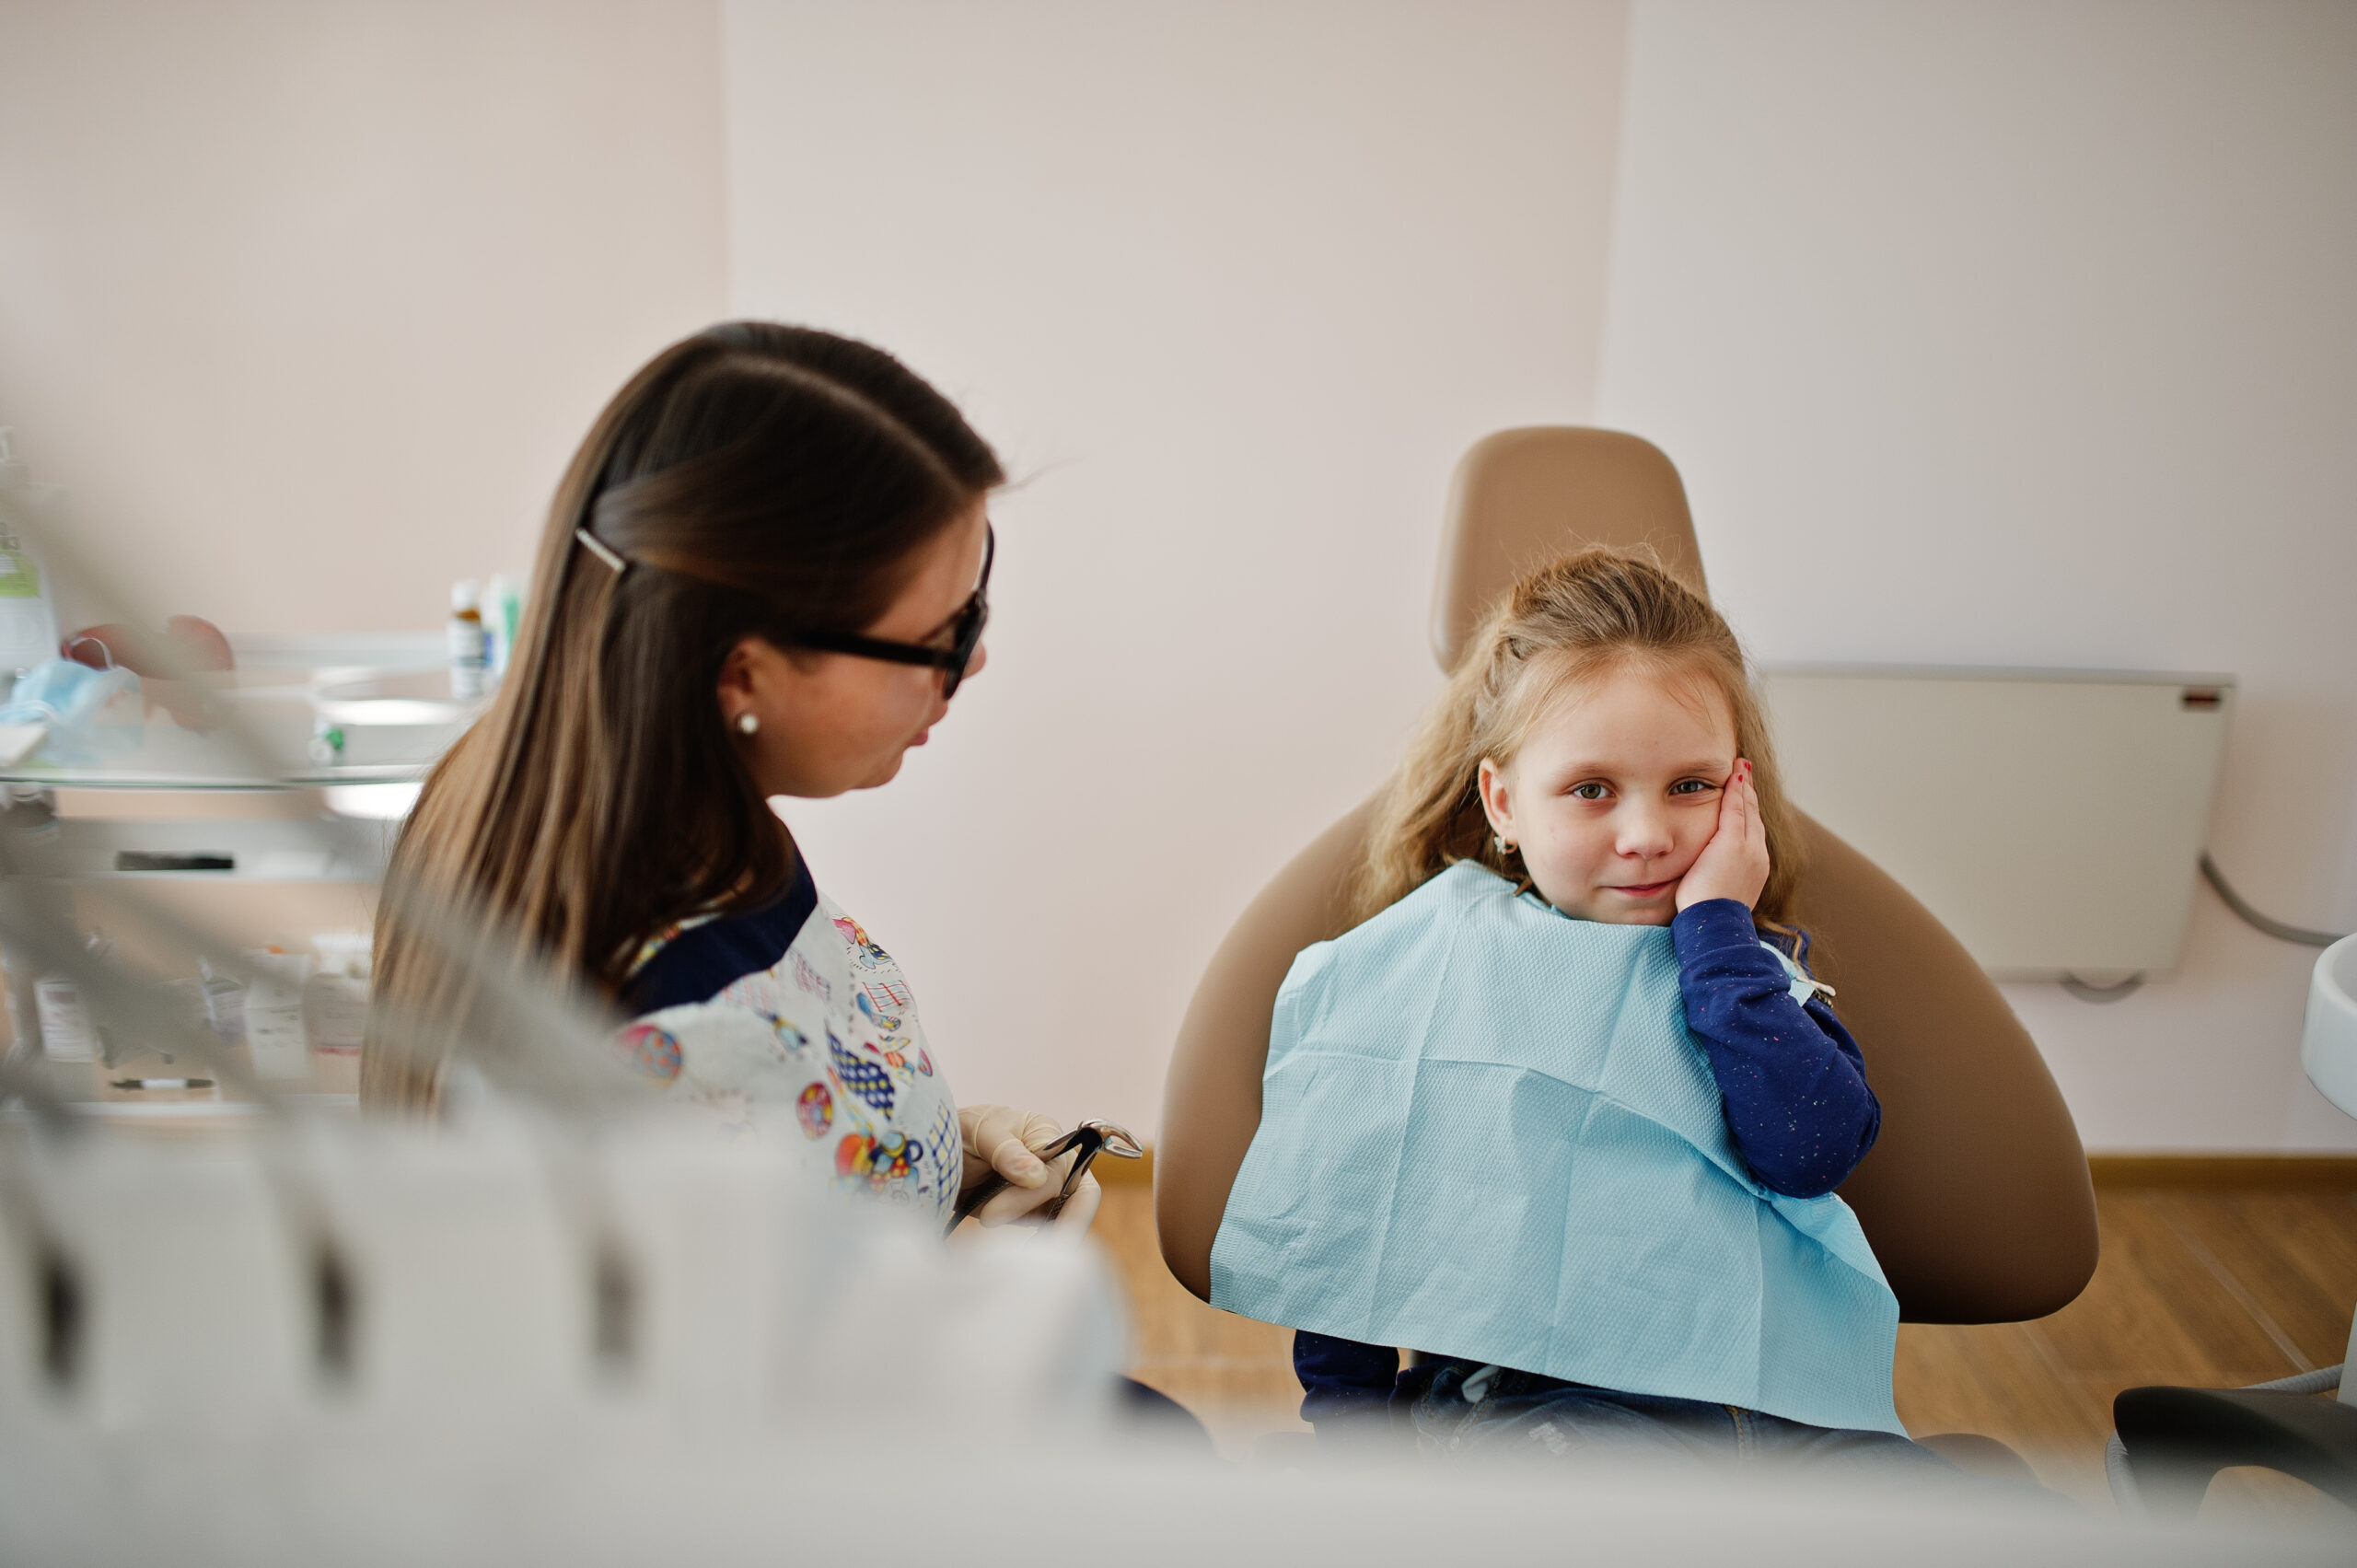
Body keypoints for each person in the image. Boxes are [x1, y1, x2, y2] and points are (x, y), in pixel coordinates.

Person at [1217, 547, 1965, 1480]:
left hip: (1758, 1403)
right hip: (1534, 1414)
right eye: (1590, 789)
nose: (1648, 834)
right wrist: (1356, 1446)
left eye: (1691, 785)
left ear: (1741, 791)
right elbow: (1351, 1224)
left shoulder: (1748, 971)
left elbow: (1810, 1149)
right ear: (1503, 801)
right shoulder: (1424, 968)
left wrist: (1720, 936)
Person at [363, 321, 1092, 1232]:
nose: (973, 662)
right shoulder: (678, 1028)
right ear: (744, 672)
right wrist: (968, 1282)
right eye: (940, 638)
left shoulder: (590, 807)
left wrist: (931, 1159)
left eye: (973, 608)